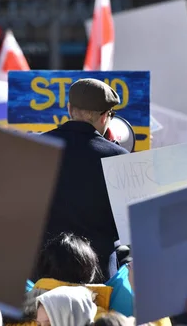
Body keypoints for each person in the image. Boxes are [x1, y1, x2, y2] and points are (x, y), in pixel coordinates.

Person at [42, 79, 128, 279]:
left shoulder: (34, 147)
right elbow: (127, 226)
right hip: (98, 275)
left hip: (44, 271)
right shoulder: (117, 156)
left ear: (69, 108)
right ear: (105, 116)